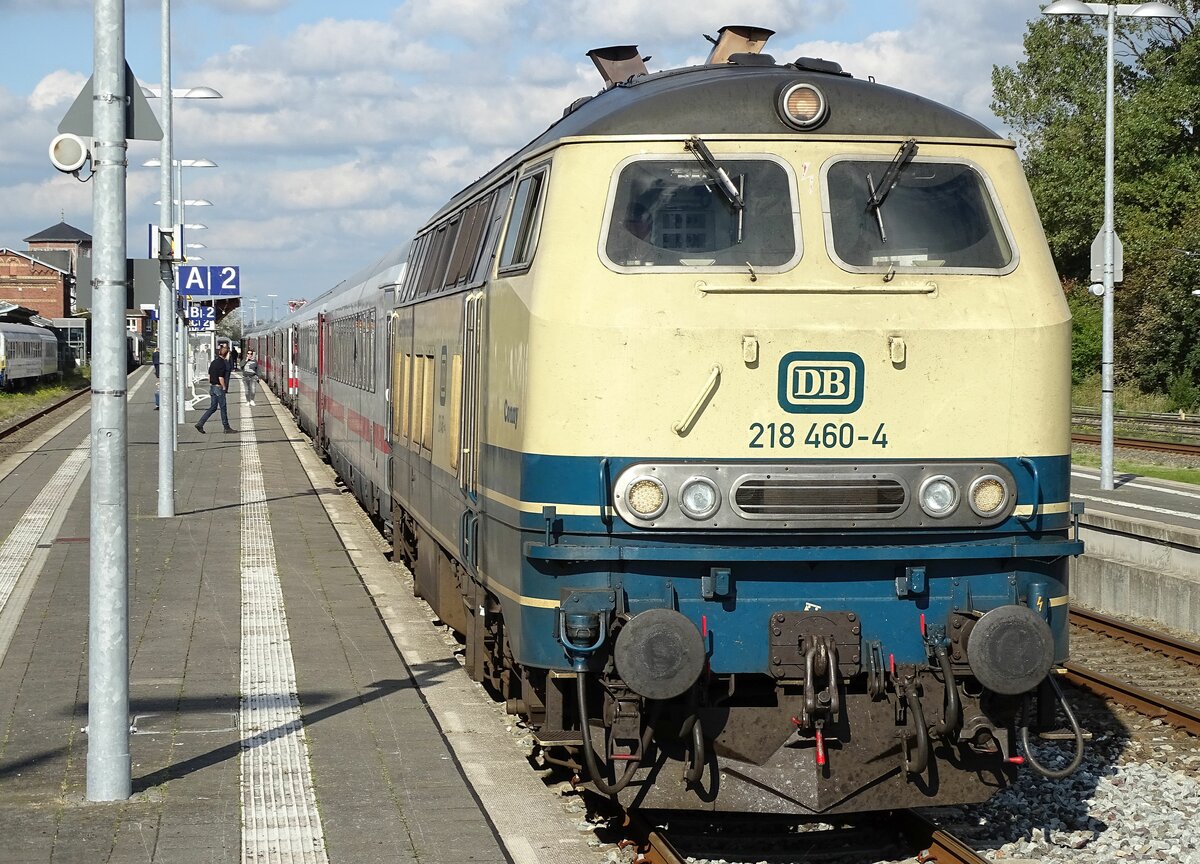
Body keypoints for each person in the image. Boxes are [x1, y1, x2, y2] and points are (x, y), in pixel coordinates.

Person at [194, 343, 235, 434]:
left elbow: (209, 376)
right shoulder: (222, 364)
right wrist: (223, 387)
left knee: (213, 407)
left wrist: (212, 383)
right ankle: (226, 427)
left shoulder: (213, 362)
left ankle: (200, 423)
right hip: (218, 388)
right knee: (223, 408)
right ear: (227, 354)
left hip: (212, 387)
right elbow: (221, 377)